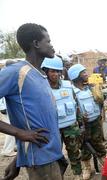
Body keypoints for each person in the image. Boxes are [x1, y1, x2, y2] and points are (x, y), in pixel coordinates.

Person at [0, 23, 63, 180]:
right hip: (41, 160)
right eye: (48, 41)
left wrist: (17, 160)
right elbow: (25, 130)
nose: (52, 45)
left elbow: (33, 120)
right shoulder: (16, 72)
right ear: (36, 43)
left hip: (52, 154)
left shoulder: (40, 75)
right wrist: (19, 133)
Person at [41, 56, 83, 179]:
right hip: (53, 129)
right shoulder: (41, 88)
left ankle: (78, 175)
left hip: (71, 126)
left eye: (58, 71)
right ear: (46, 72)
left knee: (75, 153)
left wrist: (80, 124)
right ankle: (58, 176)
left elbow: (76, 106)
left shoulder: (68, 86)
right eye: (52, 71)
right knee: (54, 155)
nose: (56, 74)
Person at [68, 64, 107, 180]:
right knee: (84, 145)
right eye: (83, 73)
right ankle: (87, 168)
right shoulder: (71, 91)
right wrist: (79, 117)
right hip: (82, 124)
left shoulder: (91, 87)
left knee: (98, 142)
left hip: (95, 121)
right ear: (76, 76)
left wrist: (98, 92)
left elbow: (101, 102)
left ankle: (104, 164)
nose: (86, 74)